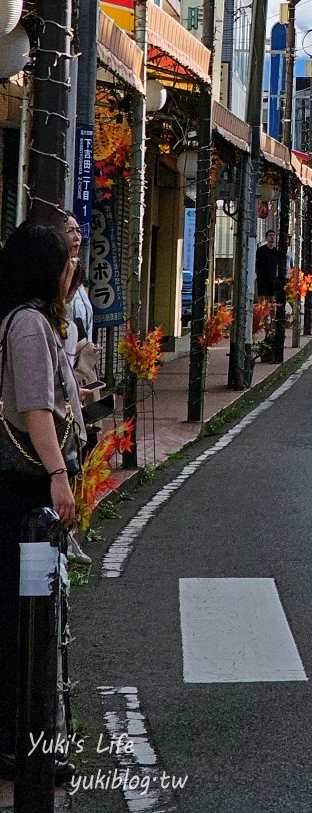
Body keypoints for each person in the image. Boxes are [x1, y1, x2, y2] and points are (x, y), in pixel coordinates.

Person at [0, 222, 85, 771]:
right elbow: (36, 409)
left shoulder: (24, 319)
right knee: (29, 619)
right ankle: (25, 747)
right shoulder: (30, 326)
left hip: (22, 490)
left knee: (20, 615)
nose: (71, 269)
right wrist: (59, 474)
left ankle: (17, 739)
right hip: (28, 493)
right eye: (65, 261)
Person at [255, 229, 283, 301]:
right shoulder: (261, 250)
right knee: (262, 295)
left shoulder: (276, 251)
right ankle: (261, 311)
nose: (272, 237)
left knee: (270, 296)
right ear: (266, 237)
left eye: (273, 235)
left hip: (272, 277)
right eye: (270, 235)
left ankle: (269, 311)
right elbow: (257, 263)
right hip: (262, 277)